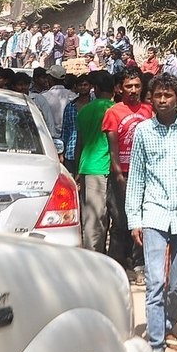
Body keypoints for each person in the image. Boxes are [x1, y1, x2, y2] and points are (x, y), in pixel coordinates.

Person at [127, 73, 177, 352]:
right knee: (155, 281)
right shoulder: (143, 131)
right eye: (158, 96)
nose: (163, 100)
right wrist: (134, 218)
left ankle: (168, 326)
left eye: (168, 95)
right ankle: (156, 345)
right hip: (153, 213)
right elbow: (137, 177)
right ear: (151, 99)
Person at [103, 68, 153, 274]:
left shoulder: (149, 111)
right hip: (121, 174)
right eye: (128, 86)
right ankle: (117, 264)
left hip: (146, 175)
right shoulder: (113, 112)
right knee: (120, 221)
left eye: (137, 86)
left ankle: (138, 262)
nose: (133, 90)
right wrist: (118, 176)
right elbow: (113, 149)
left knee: (142, 220)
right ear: (120, 88)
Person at [75, 71, 116, 253]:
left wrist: (77, 169)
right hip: (109, 167)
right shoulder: (116, 110)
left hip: (89, 166)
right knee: (109, 217)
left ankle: (92, 255)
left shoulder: (84, 111)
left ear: (96, 89)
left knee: (92, 217)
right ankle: (105, 257)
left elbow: (79, 143)